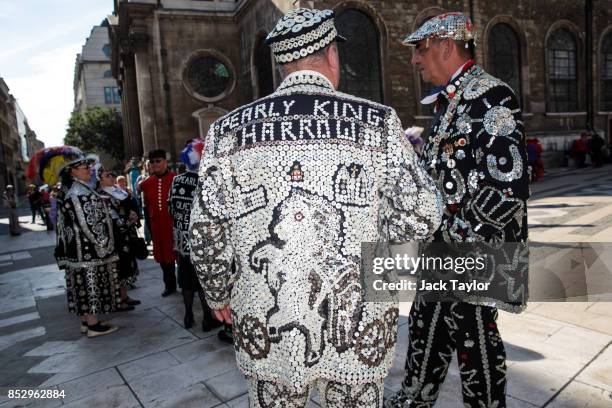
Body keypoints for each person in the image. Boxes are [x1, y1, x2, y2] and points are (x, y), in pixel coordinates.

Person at [189, 8, 442, 408]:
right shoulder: (377, 122)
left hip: (265, 322)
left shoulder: (227, 131)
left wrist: (218, 291)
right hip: (359, 324)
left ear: (283, 63)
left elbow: (204, 228)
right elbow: (423, 211)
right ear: (332, 55)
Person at [385, 13, 530, 408]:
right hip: (442, 252)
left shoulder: (491, 96)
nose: (415, 60)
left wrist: (455, 245)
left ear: (445, 47)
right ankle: (414, 399)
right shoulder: (450, 101)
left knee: (475, 342)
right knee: (424, 326)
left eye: (420, 49)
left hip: (473, 255)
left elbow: (508, 185)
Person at [53, 147, 120, 338]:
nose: (88, 170)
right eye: (84, 167)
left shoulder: (76, 188)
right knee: (89, 284)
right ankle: (93, 325)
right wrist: (102, 243)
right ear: (72, 171)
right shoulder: (77, 192)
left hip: (79, 249)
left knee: (81, 285)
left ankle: (87, 321)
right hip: (87, 249)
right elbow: (86, 221)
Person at [168, 139, 226, 336]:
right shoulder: (205, 181)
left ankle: (188, 315)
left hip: (182, 239)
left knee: (185, 279)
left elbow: (171, 208)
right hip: (201, 240)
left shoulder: (176, 180)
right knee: (202, 278)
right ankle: (208, 319)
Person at [98, 167, 141, 311]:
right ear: (100, 179)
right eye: (107, 175)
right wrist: (127, 220)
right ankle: (118, 300)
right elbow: (110, 216)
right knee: (118, 267)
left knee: (126, 264)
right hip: (115, 235)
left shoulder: (117, 190)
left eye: (111, 174)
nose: (111, 177)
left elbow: (128, 205)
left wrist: (133, 213)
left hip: (126, 233)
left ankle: (124, 296)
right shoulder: (101, 195)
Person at [140, 149, 177, 296]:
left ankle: (185, 284)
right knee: (163, 259)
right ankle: (169, 285)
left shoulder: (176, 179)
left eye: (158, 161)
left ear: (165, 162)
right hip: (157, 227)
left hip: (173, 226)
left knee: (179, 256)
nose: (155, 164)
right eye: (152, 161)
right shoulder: (146, 184)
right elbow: (146, 207)